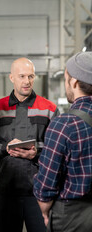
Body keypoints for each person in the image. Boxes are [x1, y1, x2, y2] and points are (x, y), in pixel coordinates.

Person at [0, 57, 59, 232]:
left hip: (39, 192)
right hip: (7, 191)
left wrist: (36, 152)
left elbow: (58, 149)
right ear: (11, 77)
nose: (27, 81)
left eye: (31, 76)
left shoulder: (49, 109)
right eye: (21, 76)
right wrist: (4, 148)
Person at [33, 51, 92, 232]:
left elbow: (47, 183)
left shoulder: (64, 123)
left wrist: (43, 212)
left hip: (74, 218)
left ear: (73, 82)